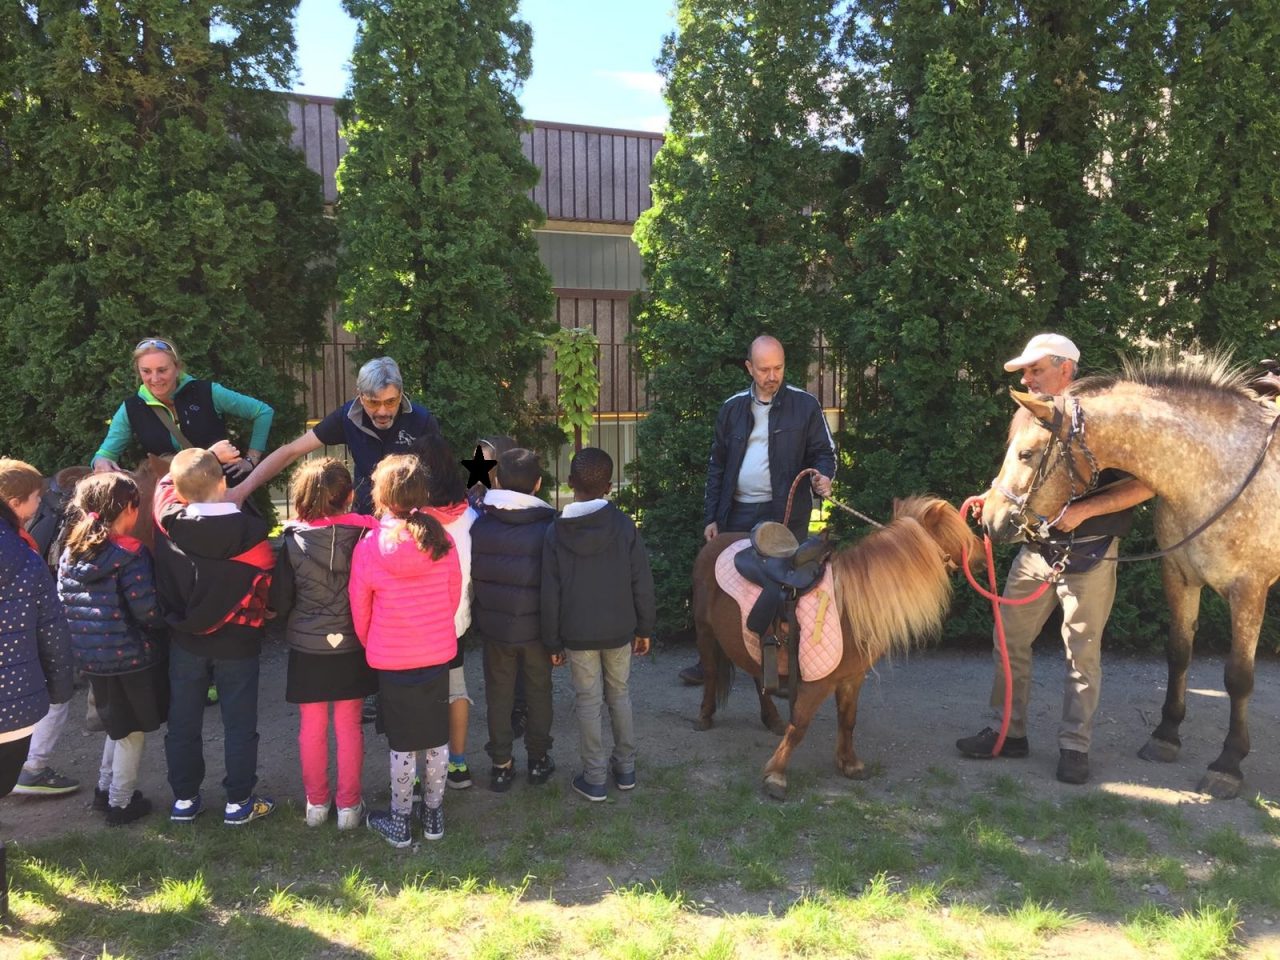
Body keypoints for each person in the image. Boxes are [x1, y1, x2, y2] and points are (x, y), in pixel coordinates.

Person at [956, 333, 1153, 785]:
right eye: (1024, 372)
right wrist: (993, 498)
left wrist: (1085, 510)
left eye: (1035, 370)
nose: (1026, 379)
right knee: (1008, 640)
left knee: (1081, 654)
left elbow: (1146, 485)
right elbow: (1015, 474)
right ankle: (1008, 732)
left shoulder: (1106, 420)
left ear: (1066, 370)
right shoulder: (1029, 416)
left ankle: (1075, 747)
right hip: (1036, 549)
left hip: (1092, 552)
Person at [681, 334, 837, 685]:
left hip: (785, 514)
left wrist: (823, 476)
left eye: (778, 367)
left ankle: (787, 659)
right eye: (764, 368)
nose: (772, 375)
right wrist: (712, 516)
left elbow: (824, 452)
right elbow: (716, 466)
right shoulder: (732, 408)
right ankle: (712, 659)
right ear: (749, 367)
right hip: (738, 512)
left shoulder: (805, 405)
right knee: (727, 586)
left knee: (789, 587)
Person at [153, 448, 276, 824]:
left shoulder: (169, 524)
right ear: (224, 483)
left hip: (186, 640)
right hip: (238, 642)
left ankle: (185, 800)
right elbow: (271, 590)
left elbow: (163, 495)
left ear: (178, 489)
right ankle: (239, 802)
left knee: (183, 722)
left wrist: (192, 464)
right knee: (239, 724)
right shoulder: (255, 537)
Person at [350, 455, 460, 847]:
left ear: (380, 494)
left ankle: (399, 819)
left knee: (400, 741)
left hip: (391, 658)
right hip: (435, 653)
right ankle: (433, 813)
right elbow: (452, 595)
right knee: (435, 736)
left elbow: (359, 605)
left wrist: (373, 641)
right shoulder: (442, 540)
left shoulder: (370, 546)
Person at [269, 459, 379, 830]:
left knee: (311, 726)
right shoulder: (368, 534)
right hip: (352, 643)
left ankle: (316, 805)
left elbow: (281, 600)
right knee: (350, 725)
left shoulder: (291, 541)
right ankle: (348, 808)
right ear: (350, 496)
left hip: (308, 646)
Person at [542, 448, 656, 802]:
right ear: (609, 486)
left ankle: (594, 778)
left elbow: (550, 592)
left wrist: (552, 642)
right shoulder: (624, 527)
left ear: (570, 483)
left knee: (588, 701)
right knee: (619, 695)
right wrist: (645, 628)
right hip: (620, 630)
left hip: (577, 635)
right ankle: (625, 769)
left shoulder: (555, 532)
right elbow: (642, 581)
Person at [57, 473, 168, 826]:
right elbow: (147, 610)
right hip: (131, 658)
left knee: (116, 726)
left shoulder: (70, 552)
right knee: (131, 731)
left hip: (92, 658)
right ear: (130, 509)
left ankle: (105, 790)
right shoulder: (131, 555)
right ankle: (121, 803)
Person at [227, 356, 440, 515]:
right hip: (365, 520)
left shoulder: (422, 420)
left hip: (413, 523)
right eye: (374, 402)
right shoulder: (347, 417)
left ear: (401, 395)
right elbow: (290, 452)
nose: (383, 411)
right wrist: (240, 491)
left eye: (391, 402)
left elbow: (439, 477)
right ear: (360, 396)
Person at [470, 448, 557, 793]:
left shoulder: (482, 524)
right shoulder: (550, 526)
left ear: (498, 480)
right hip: (537, 630)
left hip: (496, 629)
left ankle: (501, 765)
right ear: (538, 484)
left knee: (499, 695)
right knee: (539, 693)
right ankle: (538, 761)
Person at [91, 337, 272, 486]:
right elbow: (105, 454)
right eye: (146, 371)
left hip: (220, 491)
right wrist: (101, 463)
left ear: (177, 368)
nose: (155, 379)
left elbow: (263, 412)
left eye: (162, 370)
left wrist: (251, 460)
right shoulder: (131, 408)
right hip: (168, 499)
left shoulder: (208, 392)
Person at [1, 459, 79, 797]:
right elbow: (51, 631)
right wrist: (60, 689)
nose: (40, 505)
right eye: (36, 497)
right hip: (14, 697)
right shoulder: (25, 555)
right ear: (16, 503)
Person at [412, 433, 479, 790]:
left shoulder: (407, 520)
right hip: (455, 621)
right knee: (456, 688)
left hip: (414, 625)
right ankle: (457, 765)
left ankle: (422, 773)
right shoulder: (469, 515)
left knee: (420, 695)